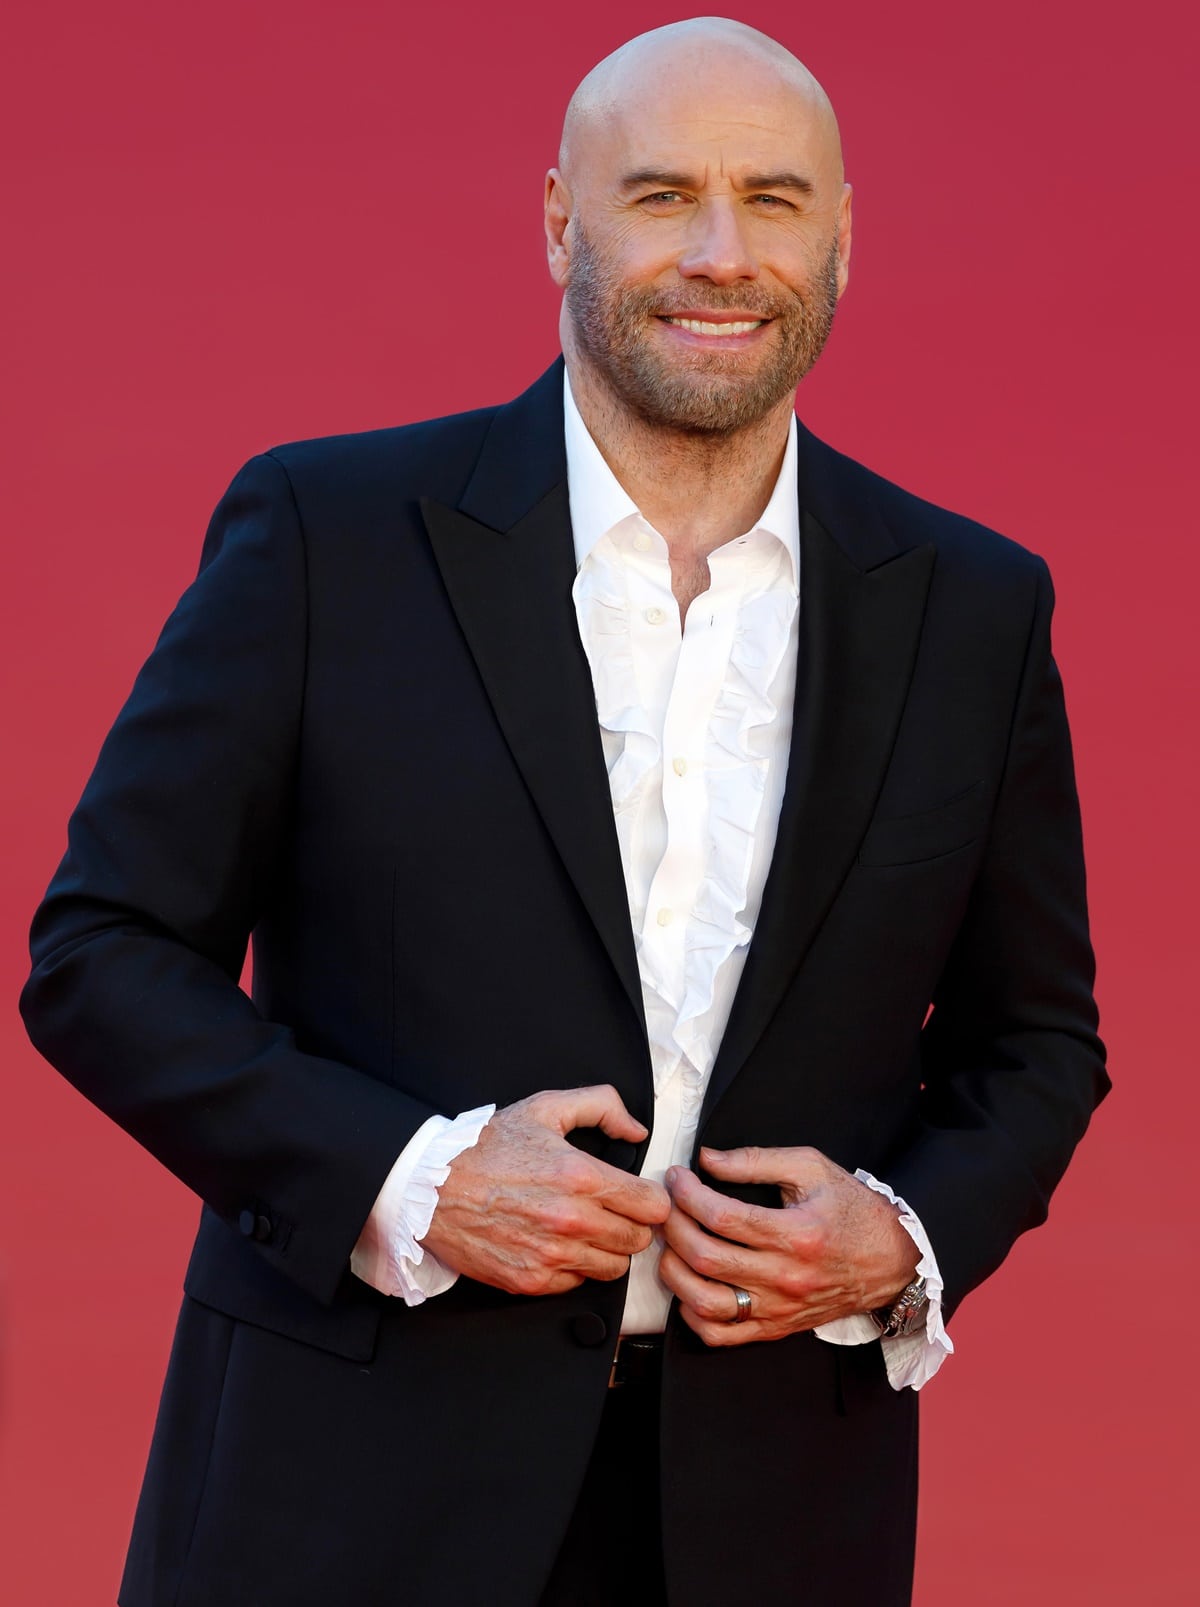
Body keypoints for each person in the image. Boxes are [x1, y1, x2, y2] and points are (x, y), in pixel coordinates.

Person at [20, 17, 1108, 1607]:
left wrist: (902, 1239)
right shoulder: (329, 535)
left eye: (775, 200)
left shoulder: (978, 608)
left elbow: (1037, 1046)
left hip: (777, 1522)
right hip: (342, 1503)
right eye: (663, 196)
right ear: (558, 222)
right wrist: (414, 1173)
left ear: (844, 236)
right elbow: (100, 951)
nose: (724, 254)